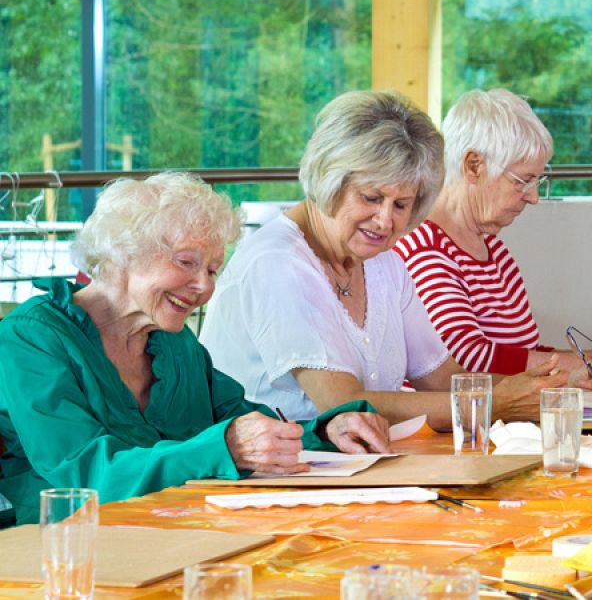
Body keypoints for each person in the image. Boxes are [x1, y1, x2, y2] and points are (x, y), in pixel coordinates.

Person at [201, 91, 592, 432]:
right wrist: (499, 402)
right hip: (265, 481)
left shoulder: (381, 260)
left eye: (402, 204)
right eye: (371, 198)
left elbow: (441, 378)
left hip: (352, 470)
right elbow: (343, 404)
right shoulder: (278, 263)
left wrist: (552, 387)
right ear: (330, 179)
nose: (386, 220)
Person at [0, 173, 390, 526]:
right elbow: (85, 474)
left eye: (212, 270)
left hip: (180, 530)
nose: (204, 287)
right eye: (186, 262)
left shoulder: (172, 340)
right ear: (123, 252)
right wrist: (227, 448)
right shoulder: (31, 338)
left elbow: (242, 423)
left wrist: (326, 430)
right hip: (66, 552)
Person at [394, 89, 592, 384]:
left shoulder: (493, 250)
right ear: (474, 166)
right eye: (523, 181)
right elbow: (468, 359)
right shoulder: (425, 250)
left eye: (538, 181)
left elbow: (524, 357)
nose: (533, 197)